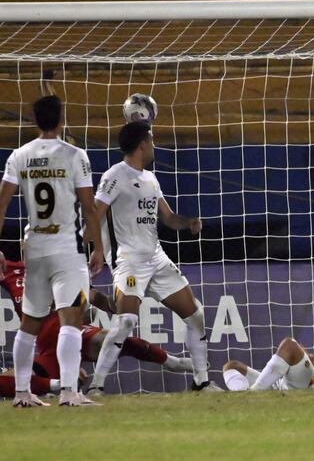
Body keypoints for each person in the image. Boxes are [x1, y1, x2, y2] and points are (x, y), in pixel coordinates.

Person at [86, 120, 219, 394]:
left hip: (156, 260)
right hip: (129, 262)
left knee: (196, 315)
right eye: (152, 140)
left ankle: (201, 381)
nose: (155, 145)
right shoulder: (115, 175)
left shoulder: (150, 178)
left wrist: (189, 223)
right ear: (142, 144)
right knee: (126, 322)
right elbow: (94, 215)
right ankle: (96, 386)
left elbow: (168, 218)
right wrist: (98, 249)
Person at [0, 95, 104, 407]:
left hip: (34, 248)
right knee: (71, 318)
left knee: (30, 322)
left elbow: (2, 202)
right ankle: (70, 392)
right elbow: (88, 206)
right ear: (61, 120)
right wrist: (97, 246)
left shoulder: (19, 155)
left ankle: (21, 393)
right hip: (66, 250)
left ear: (34, 121)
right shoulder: (75, 155)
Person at [0, 258, 192, 397]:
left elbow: (90, 296)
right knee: (15, 381)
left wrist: (116, 303)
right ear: (23, 245)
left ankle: (172, 362)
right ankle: (59, 385)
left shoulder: (63, 270)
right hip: (45, 345)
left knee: (112, 339)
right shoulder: (10, 269)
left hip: (75, 333)